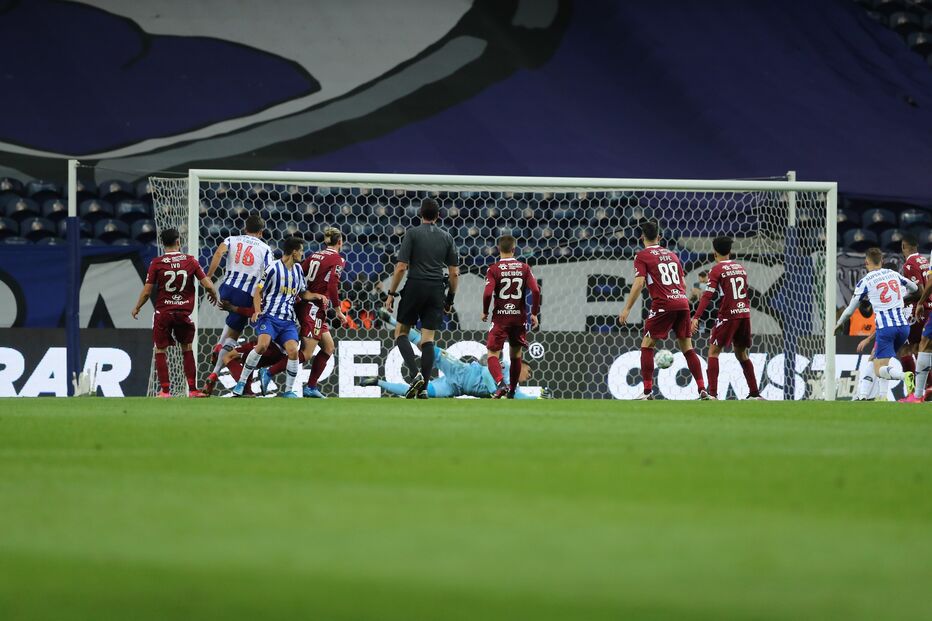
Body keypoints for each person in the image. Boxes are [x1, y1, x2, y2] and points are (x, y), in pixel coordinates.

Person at [618, 220, 710, 400]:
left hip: (662, 305)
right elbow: (683, 284)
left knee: (647, 345)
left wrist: (627, 308)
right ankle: (702, 389)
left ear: (642, 237)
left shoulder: (642, 256)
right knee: (687, 348)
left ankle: (646, 392)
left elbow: (639, 283)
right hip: (682, 303)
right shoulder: (673, 255)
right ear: (659, 237)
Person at [362, 311, 548, 399]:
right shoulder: (506, 366)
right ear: (521, 364)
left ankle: (377, 381)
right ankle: (393, 321)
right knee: (425, 344)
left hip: (454, 387)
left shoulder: (511, 385)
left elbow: (519, 397)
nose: (528, 376)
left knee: (419, 392)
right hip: (459, 369)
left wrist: (538, 396)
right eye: (529, 371)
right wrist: (494, 389)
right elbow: (485, 372)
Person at [260, 227, 348, 398]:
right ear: (340, 242)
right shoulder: (338, 259)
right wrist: (338, 310)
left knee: (329, 347)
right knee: (306, 353)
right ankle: (269, 372)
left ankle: (311, 387)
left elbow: (300, 271)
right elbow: (332, 285)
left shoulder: (315, 255)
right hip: (313, 308)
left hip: (307, 305)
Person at [384, 198, 459, 399]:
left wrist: (391, 293)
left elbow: (401, 267)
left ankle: (414, 373)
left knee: (401, 333)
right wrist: (449, 299)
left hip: (415, 285)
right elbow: (454, 273)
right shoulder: (447, 237)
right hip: (436, 289)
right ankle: (424, 388)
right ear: (438, 216)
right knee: (428, 340)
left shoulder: (413, 234)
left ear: (420, 215)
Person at [132, 228, 218, 398]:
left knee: (160, 350)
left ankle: (165, 391)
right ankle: (193, 390)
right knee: (186, 348)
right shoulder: (191, 261)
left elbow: (148, 291)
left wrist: (137, 307)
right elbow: (207, 285)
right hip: (183, 313)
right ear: (178, 241)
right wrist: (213, 294)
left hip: (164, 313)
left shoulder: (157, 262)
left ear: (162, 243)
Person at [203, 215, 273, 394]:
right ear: (261, 232)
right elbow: (269, 273)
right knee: (234, 334)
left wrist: (209, 278)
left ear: (244, 228)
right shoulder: (265, 248)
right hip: (246, 294)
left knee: (232, 323)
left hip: (226, 288)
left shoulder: (231, 239)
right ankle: (215, 371)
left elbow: (219, 253)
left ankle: (218, 354)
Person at [835, 247, 917, 399]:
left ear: (866, 262)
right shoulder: (894, 274)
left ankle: (903, 376)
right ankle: (882, 396)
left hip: (886, 329)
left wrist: (838, 324)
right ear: (882, 261)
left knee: (878, 367)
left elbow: (849, 311)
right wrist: (902, 298)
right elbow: (915, 288)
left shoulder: (865, 281)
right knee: (882, 362)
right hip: (904, 328)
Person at [232, 237, 306, 398]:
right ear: (294, 252)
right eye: (300, 250)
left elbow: (303, 292)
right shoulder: (272, 268)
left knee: (293, 351)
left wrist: (317, 296)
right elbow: (258, 291)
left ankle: (288, 391)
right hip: (269, 317)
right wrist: (257, 311)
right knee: (262, 346)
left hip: (288, 321)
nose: (302, 253)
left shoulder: (299, 270)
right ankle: (242, 383)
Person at [690, 236, 761, 400]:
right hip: (744, 314)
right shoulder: (740, 268)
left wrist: (696, 317)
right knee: (741, 353)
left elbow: (707, 295)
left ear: (714, 253)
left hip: (728, 315)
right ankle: (754, 393)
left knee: (713, 352)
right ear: (730, 251)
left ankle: (713, 395)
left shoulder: (716, 270)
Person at [482, 235, 541, 398]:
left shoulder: (493, 269)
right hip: (518, 318)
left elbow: (488, 294)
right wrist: (534, 313)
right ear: (514, 249)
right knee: (515, 355)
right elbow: (536, 290)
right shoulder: (524, 267)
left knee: (492, 354)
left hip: (500, 317)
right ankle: (513, 390)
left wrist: (485, 311)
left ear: (499, 249)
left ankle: (501, 384)